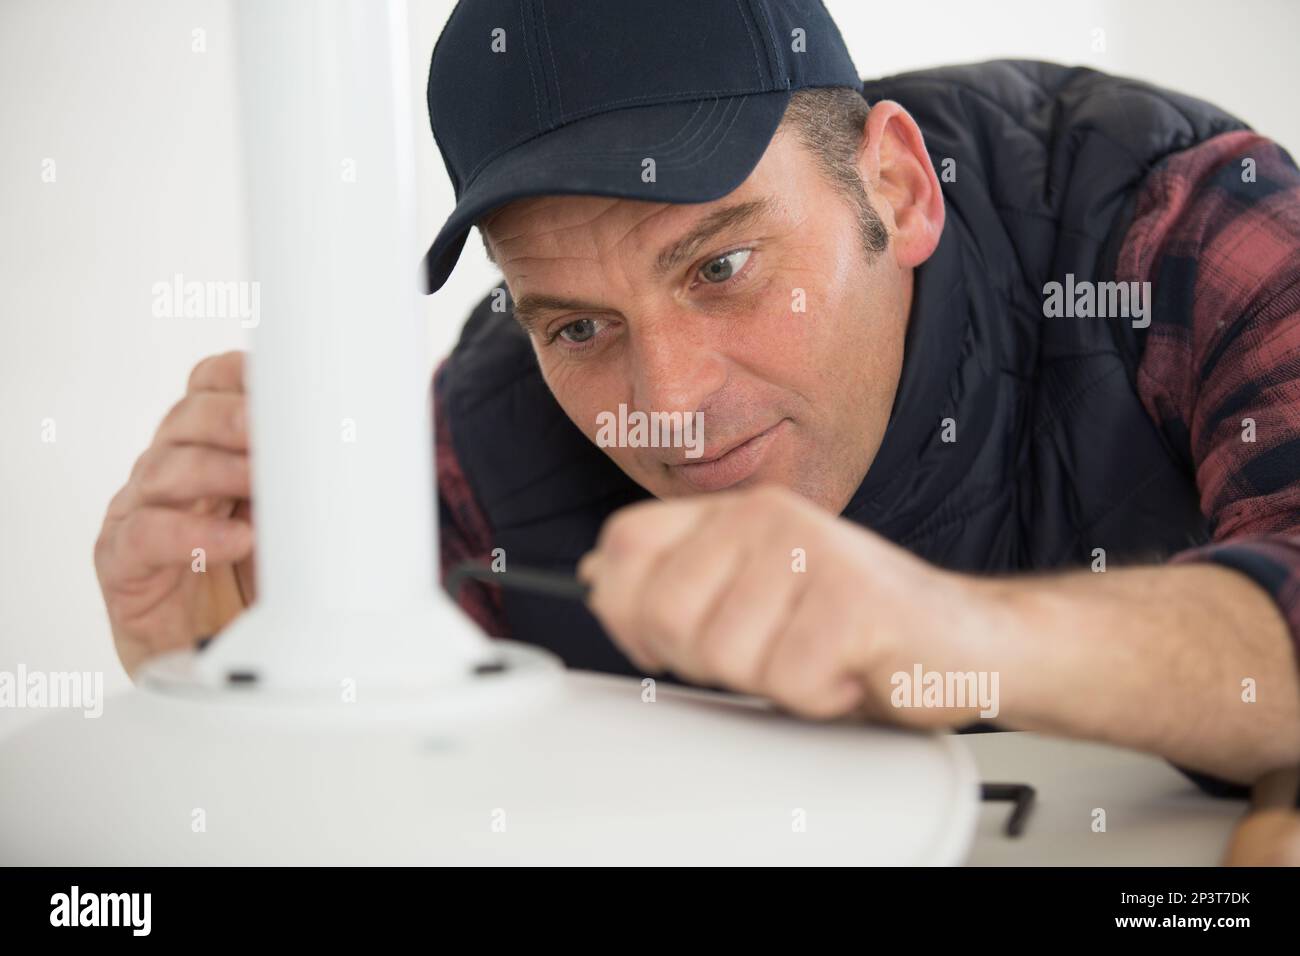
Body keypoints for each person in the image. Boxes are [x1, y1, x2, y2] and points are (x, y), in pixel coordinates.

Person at [96, 0, 1300, 818]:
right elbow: (389, 809)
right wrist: (217, 689)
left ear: (896, 186)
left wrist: (949, 632)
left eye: (721, 266)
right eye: (578, 325)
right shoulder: (484, 435)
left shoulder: (1172, 222)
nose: (667, 405)